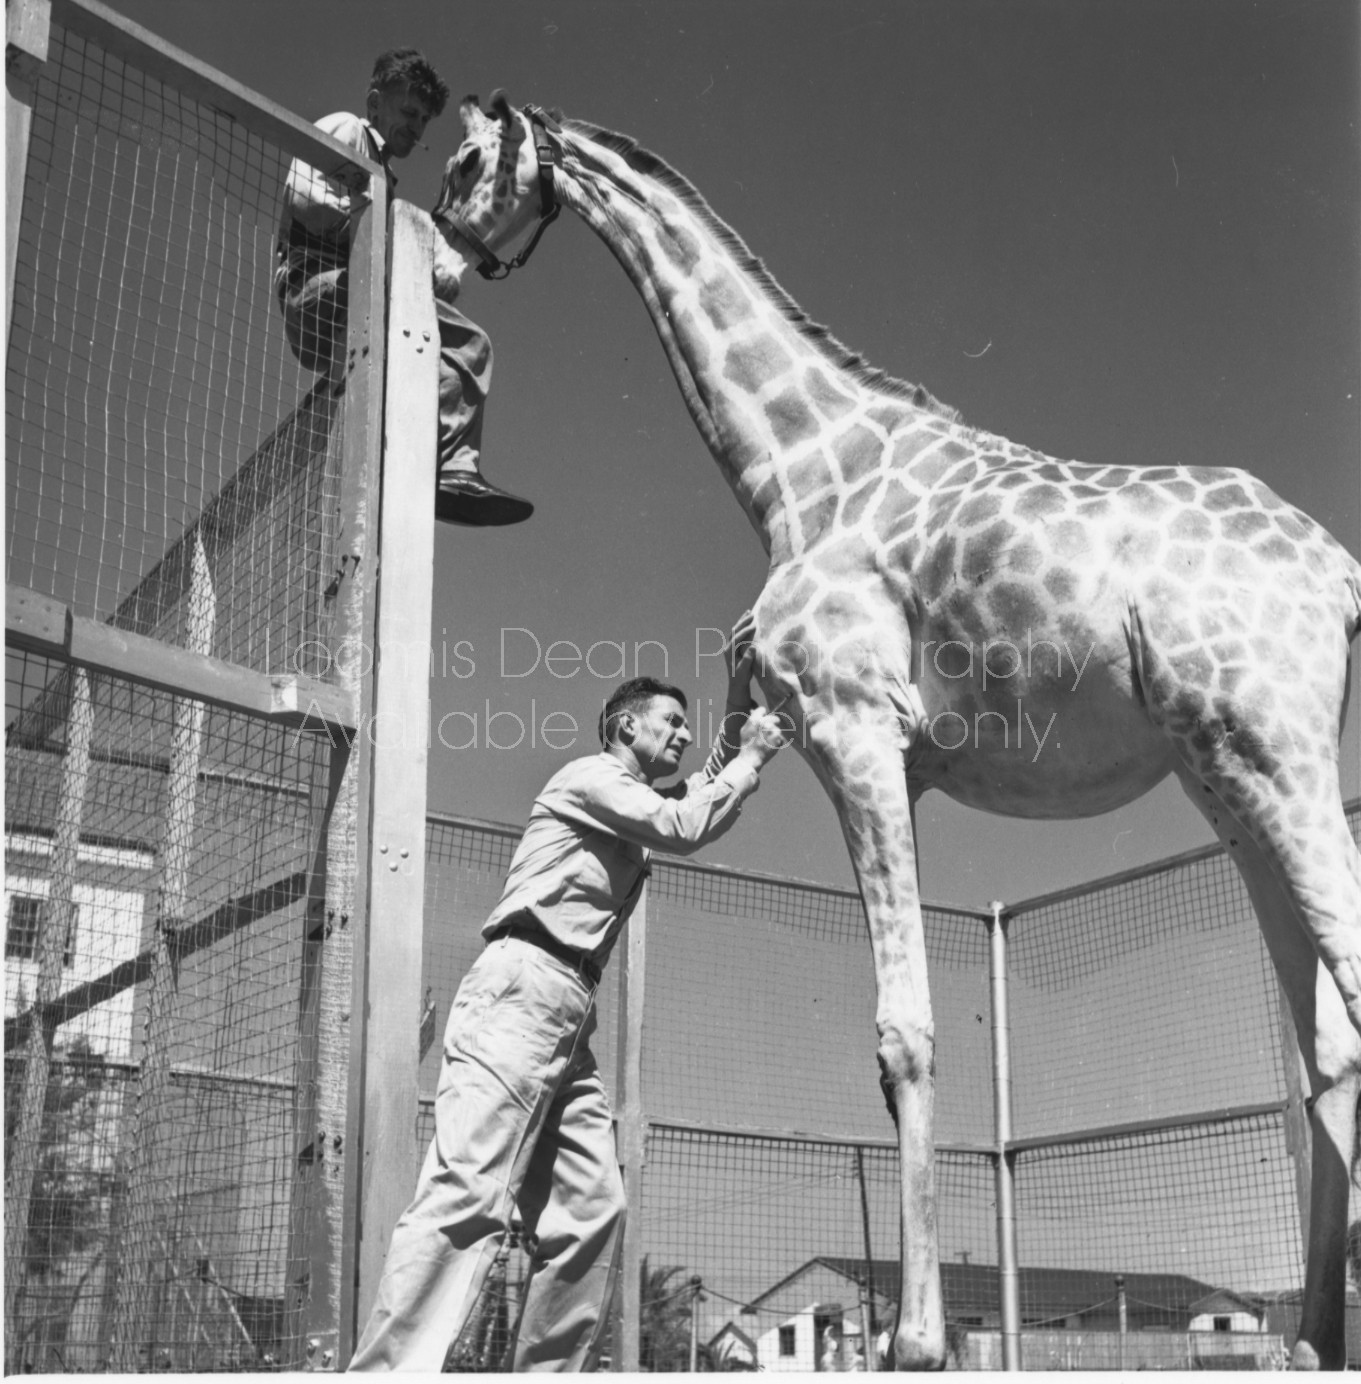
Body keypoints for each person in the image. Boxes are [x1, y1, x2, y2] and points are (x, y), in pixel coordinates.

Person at [349, 614, 787, 1371]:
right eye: (670, 723)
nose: (685, 735)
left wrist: (737, 686)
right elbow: (689, 817)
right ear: (623, 726)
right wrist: (751, 759)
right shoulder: (590, 778)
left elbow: (710, 775)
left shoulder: (630, 800)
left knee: (592, 1209)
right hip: (521, 989)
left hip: (566, 1018)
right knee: (468, 1195)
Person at [275, 48, 532, 526]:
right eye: (409, 113)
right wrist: (392, 245)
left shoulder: (382, 176)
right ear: (375, 104)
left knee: (426, 352)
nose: (416, 128)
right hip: (312, 288)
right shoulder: (349, 129)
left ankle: (416, 465)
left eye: (424, 121)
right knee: (471, 344)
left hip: (343, 302)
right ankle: (454, 467)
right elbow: (303, 195)